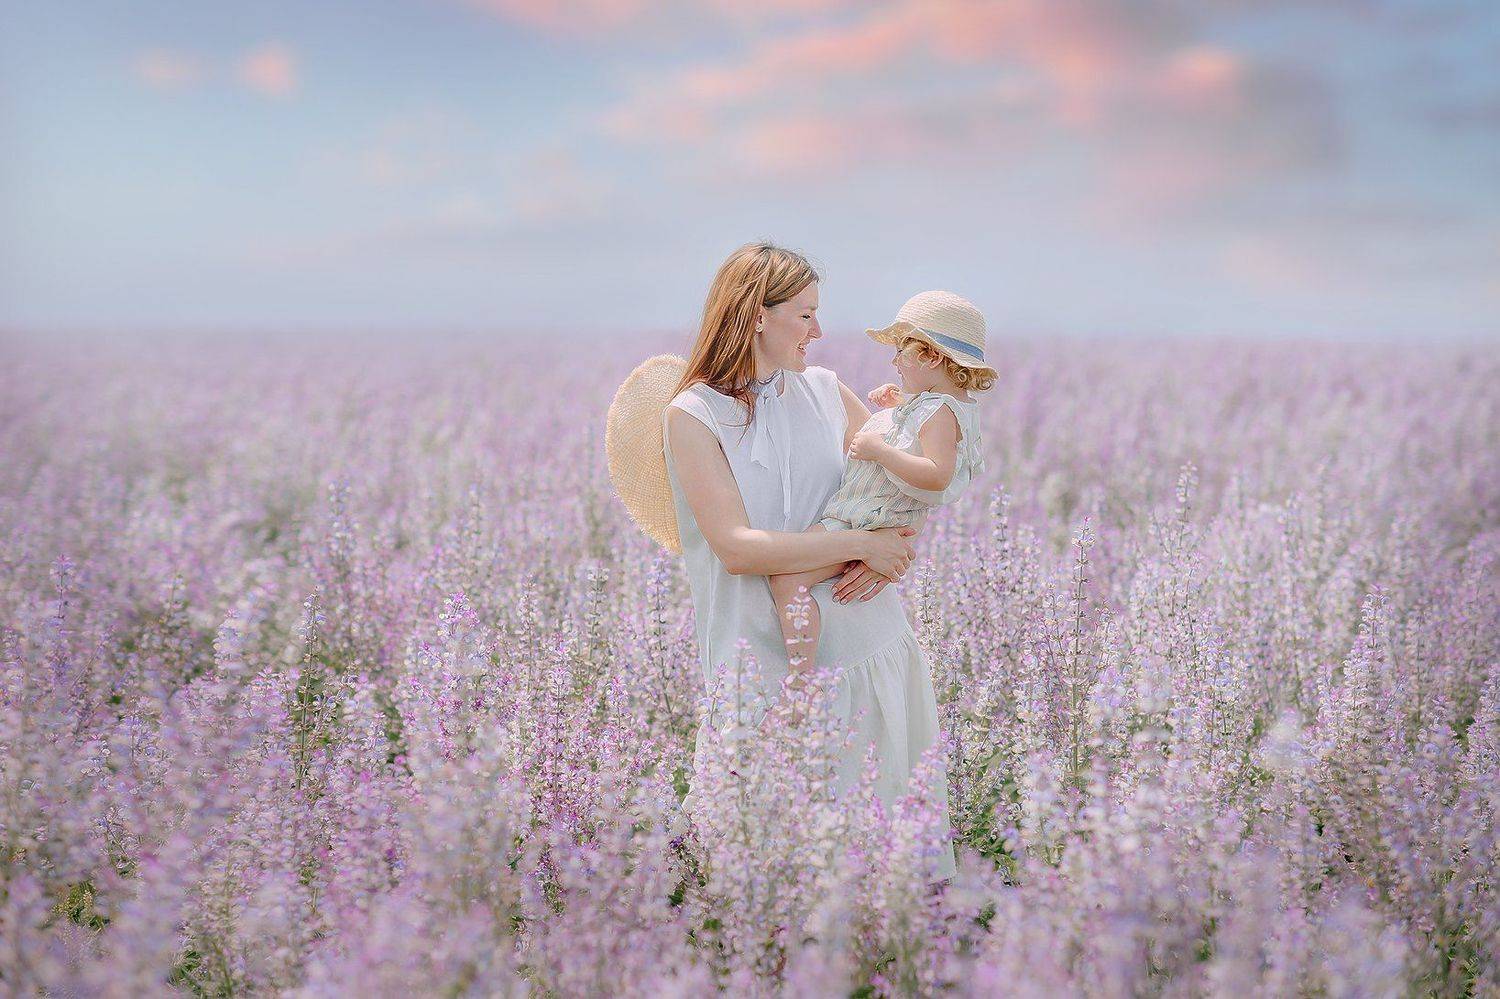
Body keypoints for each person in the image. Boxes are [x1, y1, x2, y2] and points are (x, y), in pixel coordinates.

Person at [659, 242, 957, 881]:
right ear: (756, 316)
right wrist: (862, 546)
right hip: (758, 664)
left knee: (881, 870)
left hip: (866, 648)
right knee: (762, 879)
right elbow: (737, 549)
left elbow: (906, 483)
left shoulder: (826, 391)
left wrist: (894, 547)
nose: (819, 331)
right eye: (805, 314)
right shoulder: (693, 415)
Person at [768, 290, 993, 672]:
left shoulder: (940, 412)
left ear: (931, 356)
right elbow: (917, 439)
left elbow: (937, 475)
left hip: (866, 519)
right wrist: (898, 408)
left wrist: (879, 450)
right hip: (869, 517)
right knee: (791, 574)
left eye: (902, 351)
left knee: (788, 580)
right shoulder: (937, 406)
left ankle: (801, 678)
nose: (894, 361)